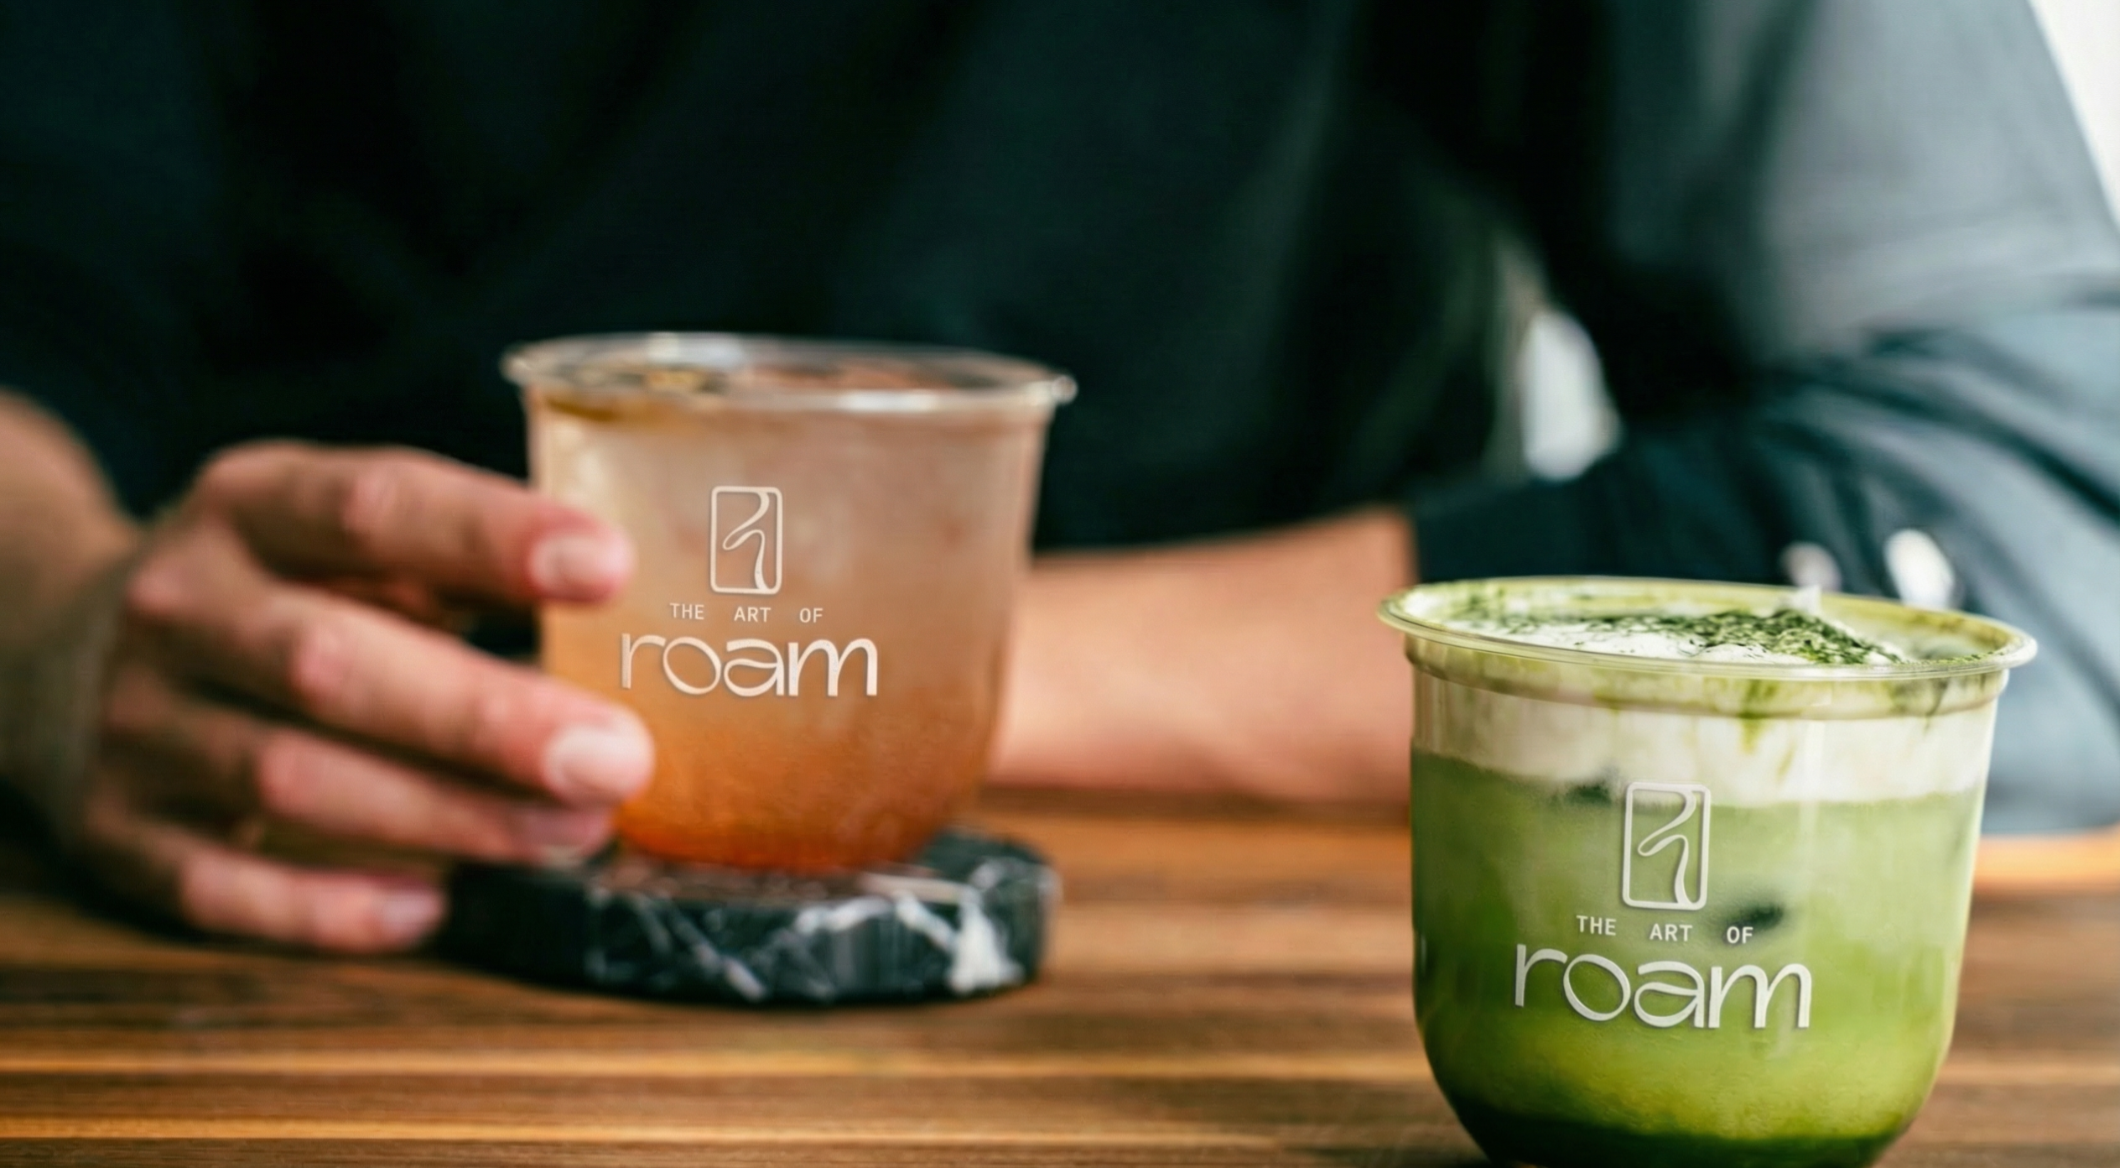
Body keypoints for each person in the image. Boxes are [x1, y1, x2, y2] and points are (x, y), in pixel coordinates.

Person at [1, 0, 2116, 952]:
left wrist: (838, 692)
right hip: (270, 922)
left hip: (1261, 974)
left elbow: (2027, 517)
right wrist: (54, 613)